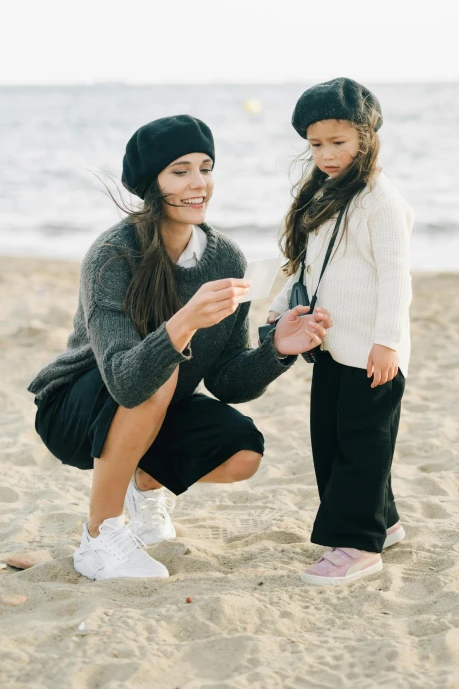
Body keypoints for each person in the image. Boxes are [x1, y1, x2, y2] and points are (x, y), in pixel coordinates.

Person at [28, 114, 332, 581]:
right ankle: (99, 537)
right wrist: (185, 321)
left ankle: (146, 485)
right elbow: (127, 382)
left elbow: (227, 381)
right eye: (180, 170)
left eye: (206, 168)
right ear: (152, 183)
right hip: (77, 409)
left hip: (154, 411)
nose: (199, 183)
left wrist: (278, 351)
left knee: (243, 453)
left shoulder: (224, 257)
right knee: (159, 373)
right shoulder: (113, 254)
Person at [267, 79, 414, 585]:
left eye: (339, 142)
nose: (326, 154)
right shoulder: (326, 194)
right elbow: (308, 266)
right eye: (315, 144)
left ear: (366, 137)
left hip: (373, 350)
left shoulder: (381, 200)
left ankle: (359, 547)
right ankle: (383, 523)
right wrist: (280, 308)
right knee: (332, 443)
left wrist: (388, 341)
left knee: (363, 446)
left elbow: (396, 276)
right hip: (330, 346)